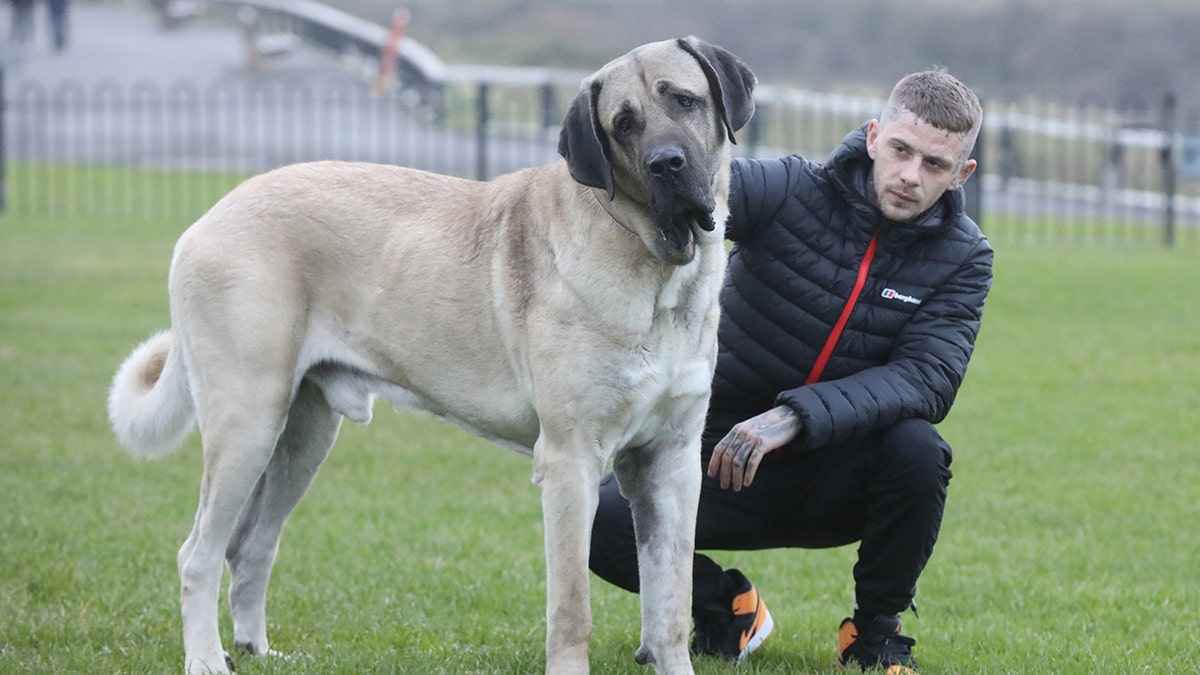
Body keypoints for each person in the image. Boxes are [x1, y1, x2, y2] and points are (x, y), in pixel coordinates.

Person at [590, 68, 992, 673]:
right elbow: (696, 196)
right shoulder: (791, 189)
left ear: (961, 174)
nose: (910, 176)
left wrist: (794, 417)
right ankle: (726, 607)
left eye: (935, 165)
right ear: (876, 136)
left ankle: (873, 634)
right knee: (594, 521)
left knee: (918, 449)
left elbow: (926, 379)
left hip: (834, 475)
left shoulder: (965, 257)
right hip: (718, 457)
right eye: (902, 151)